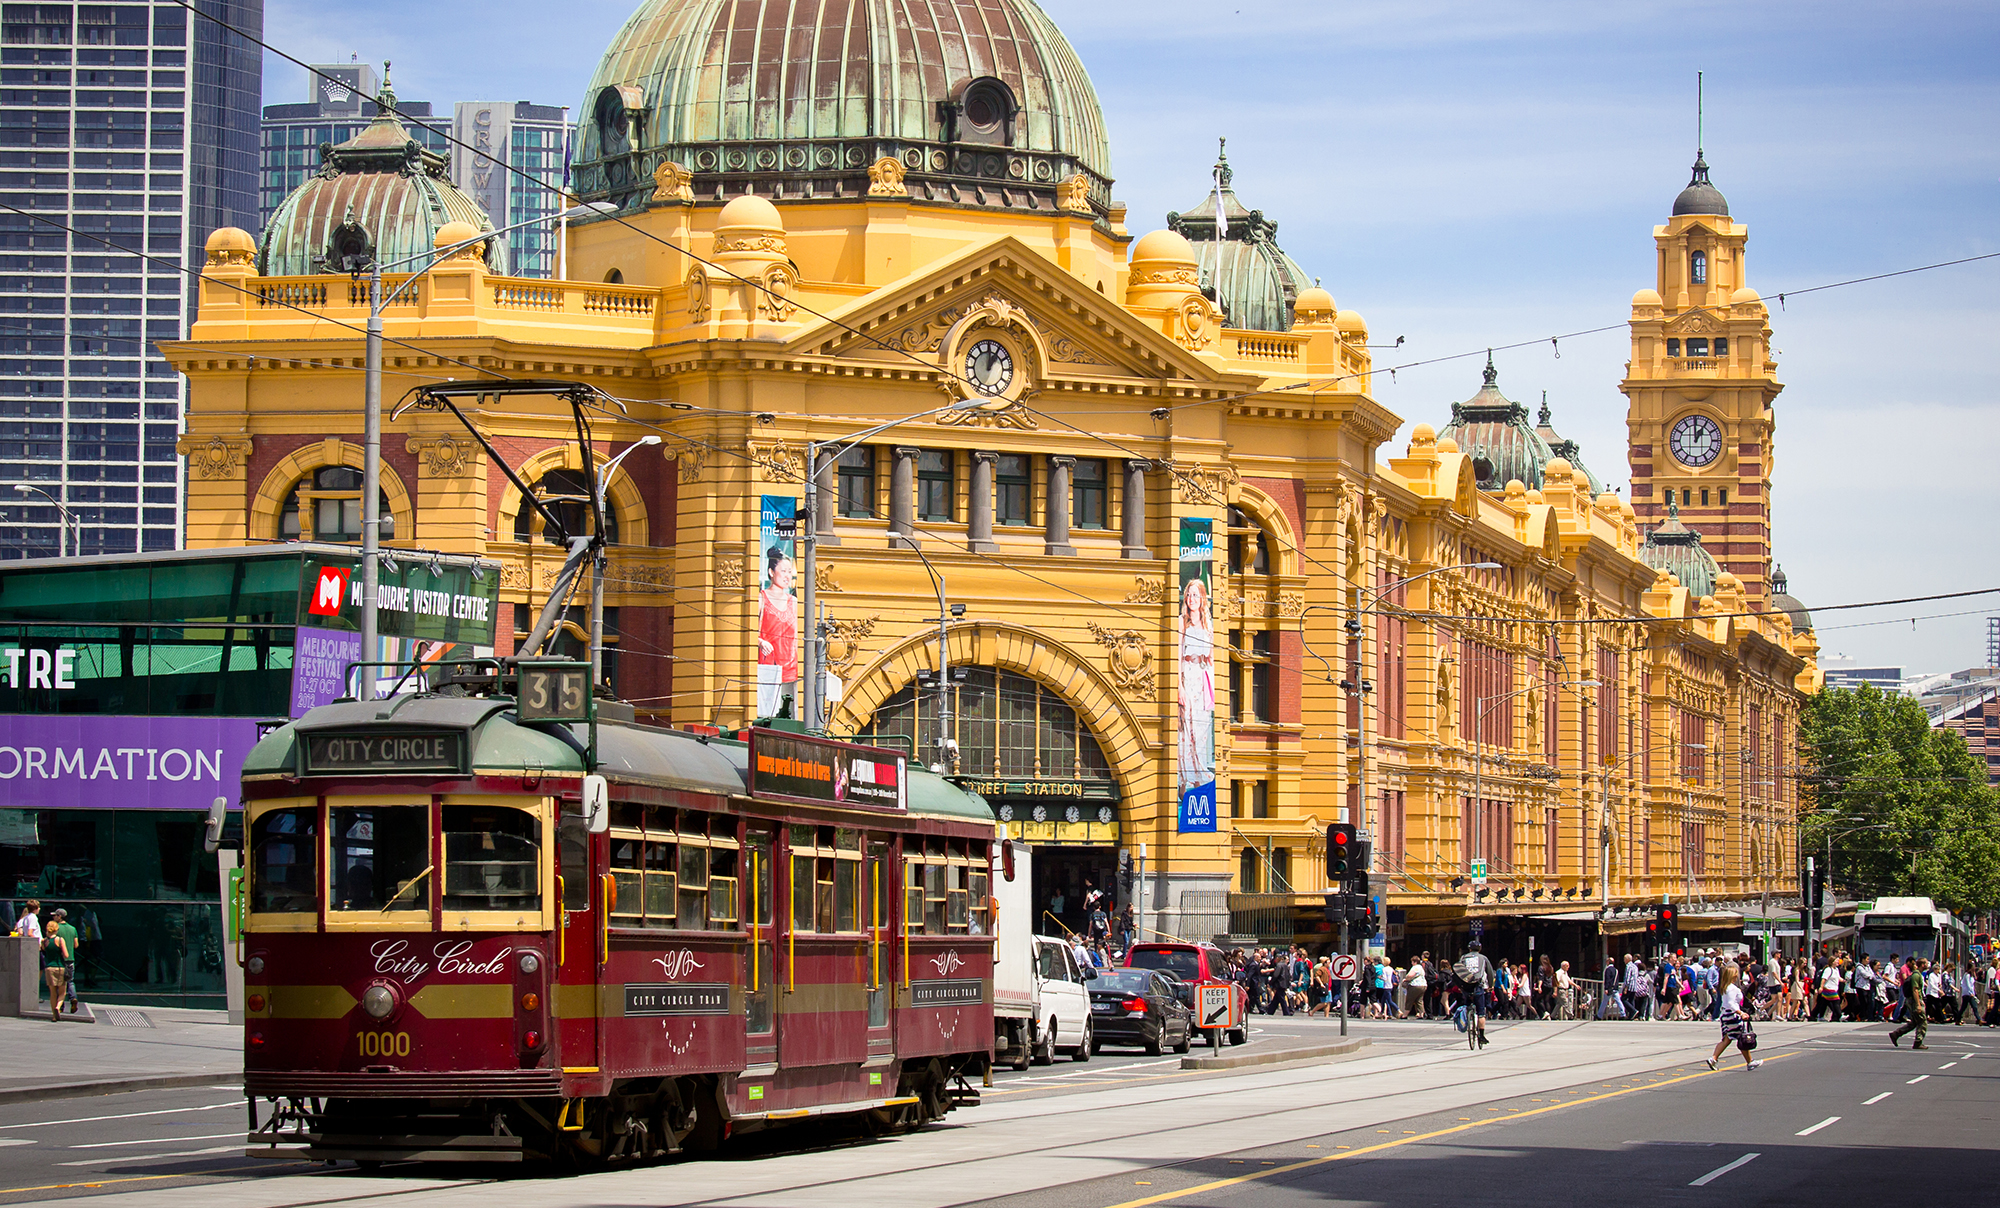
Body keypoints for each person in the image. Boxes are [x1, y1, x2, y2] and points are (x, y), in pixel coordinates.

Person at [1705, 963, 1763, 1072]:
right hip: (1732, 1016)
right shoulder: (1731, 988)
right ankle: (1750, 1062)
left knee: (1727, 1039)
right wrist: (1740, 1013)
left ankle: (1714, 1058)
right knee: (1742, 1038)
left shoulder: (1725, 987)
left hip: (1725, 1015)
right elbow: (1731, 1003)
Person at [41, 907, 77, 1021]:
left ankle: (54, 1013)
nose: (53, 917)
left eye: (55, 915)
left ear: (59, 916)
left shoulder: (45, 939)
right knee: (66, 986)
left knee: (53, 992)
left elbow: (42, 949)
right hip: (64, 963)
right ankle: (68, 1001)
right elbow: (75, 946)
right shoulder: (72, 929)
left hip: (49, 967)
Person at [1457, 940, 1495, 1046]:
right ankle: (1481, 1035)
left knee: (1466, 1004)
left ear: (1469, 949)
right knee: (1481, 1013)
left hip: (1466, 985)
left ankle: (1467, 1018)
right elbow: (1490, 973)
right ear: (1480, 949)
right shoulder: (1483, 958)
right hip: (1478, 986)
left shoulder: (1464, 958)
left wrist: (1460, 986)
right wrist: (1490, 986)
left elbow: (1459, 970)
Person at [1890, 959, 1930, 1050]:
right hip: (1915, 1001)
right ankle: (1918, 1042)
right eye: (1926, 963)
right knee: (1922, 1022)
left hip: (1913, 1001)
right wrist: (1918, 1004)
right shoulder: (1916, 975)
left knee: (1914, 1022)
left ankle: (1896, 1034)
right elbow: (1915, 990)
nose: (1928, 965)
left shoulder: (1917, 974)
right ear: (1922, 965)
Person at [1404, 953, 1428, 1019]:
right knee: (1419, 1000)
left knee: (1409, 1000)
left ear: (1414, 962)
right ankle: (1421, 1014)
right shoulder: (1421, 967)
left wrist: (1406, 979)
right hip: (1423, 985)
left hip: (1415, 986)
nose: (1411, 963)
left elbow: (1410, 975)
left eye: (1412, 962)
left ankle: (1405, 1015)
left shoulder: (1415, 967)